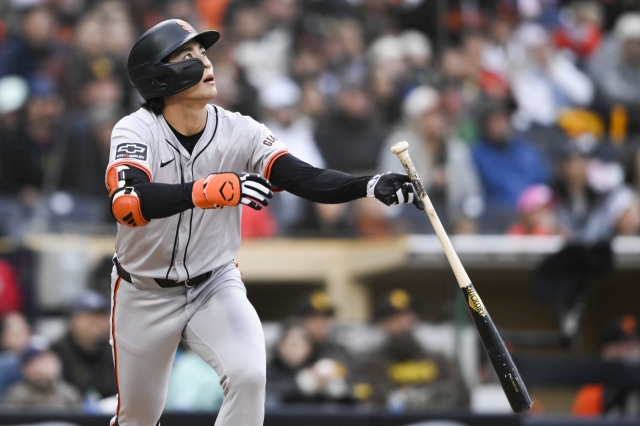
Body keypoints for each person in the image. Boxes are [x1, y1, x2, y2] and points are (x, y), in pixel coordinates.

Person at [106, 19, 423, 426]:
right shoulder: (135, 129)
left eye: (204, 53)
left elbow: (301, 176)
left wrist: (369, 185)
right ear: (158, 76)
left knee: (250, 376)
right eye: (188, 56)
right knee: (138, 417)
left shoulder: (239, 129)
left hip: (213, 283)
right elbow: (128, 203)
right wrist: (202, 191)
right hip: (142, 290)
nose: (205, 62)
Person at [354, 289, 469, 411]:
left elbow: (462, 394)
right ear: (382, 323)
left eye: (409, 315)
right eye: (397, 317)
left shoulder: (436, 358)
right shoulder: (372, 362)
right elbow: (373, 401)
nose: (406, 322)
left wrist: (426, 395)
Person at [51, 290, 117, 400]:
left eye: (100, 317)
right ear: (72, 320)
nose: (95, 322)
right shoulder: (56, 352)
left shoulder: (115, 352)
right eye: (88, 317)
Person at [572, 315, 640, 416]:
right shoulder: (592, 393)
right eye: (621, 345)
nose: (630, 351)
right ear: (605, 350)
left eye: (635, 344)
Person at [0, 339, 82, 412]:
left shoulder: (69, 393)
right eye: (40, 359)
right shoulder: (16, 396)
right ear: (26, 368)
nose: (48, 363)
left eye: (50, 357)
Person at [0, 312, 31, 397]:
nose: (24, 334)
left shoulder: (40, 355)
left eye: (25, 329)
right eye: (17, 333)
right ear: (3, 337)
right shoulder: (5, 364)